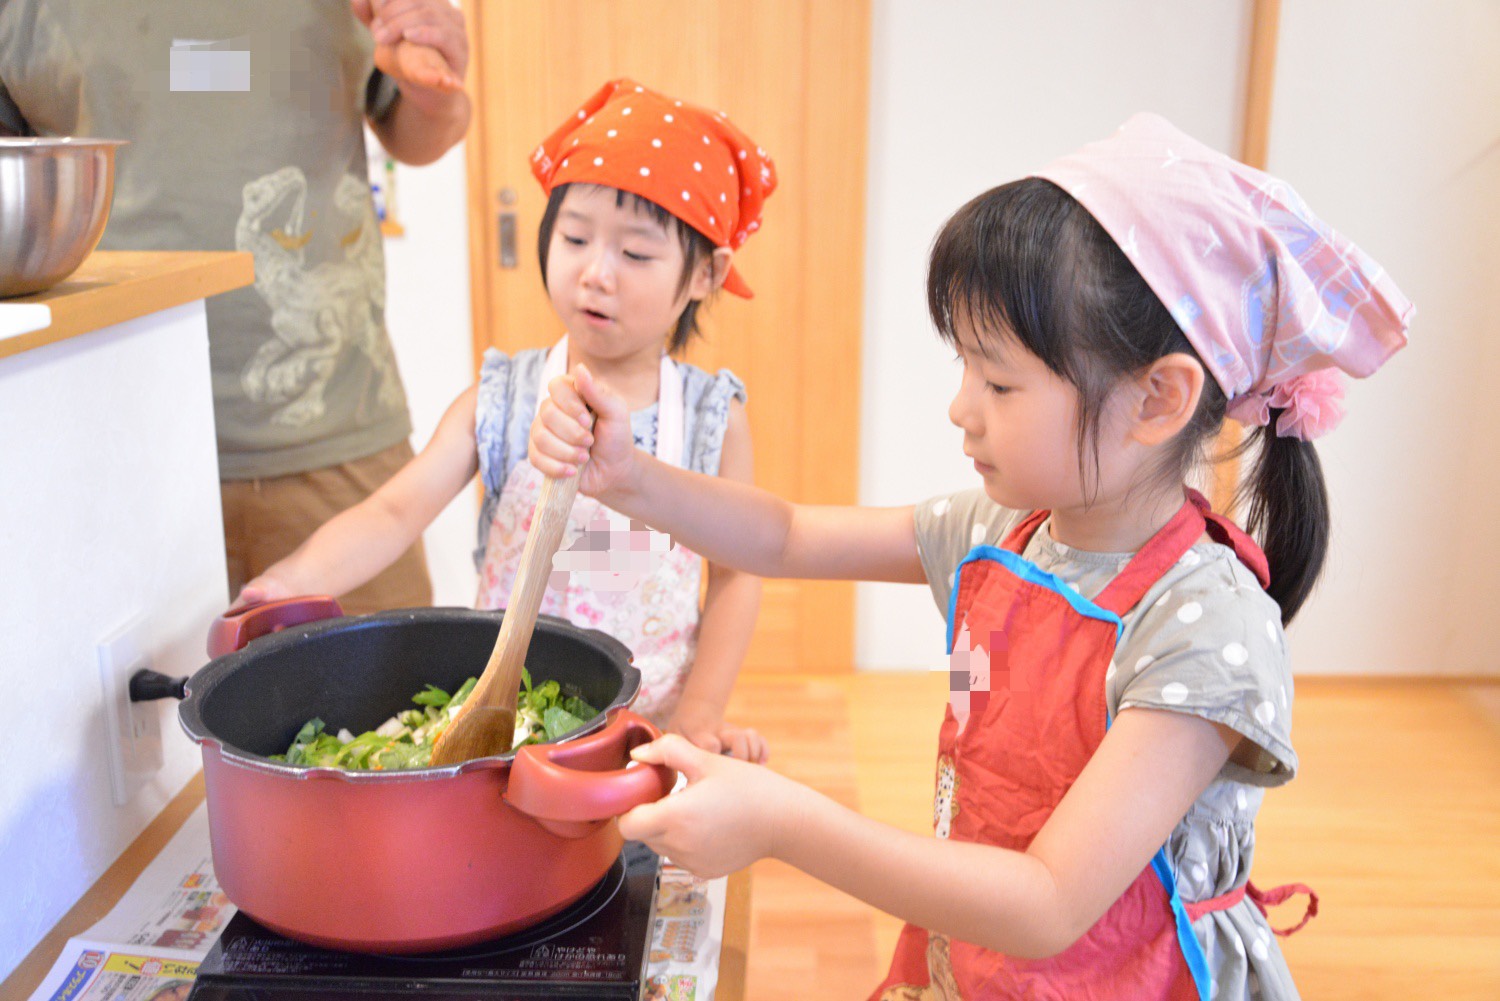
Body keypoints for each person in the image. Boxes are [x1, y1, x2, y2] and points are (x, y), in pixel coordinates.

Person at [528, 113, 1413, 999]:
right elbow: (786, 535)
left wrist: (784, 823)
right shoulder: (1002, 531)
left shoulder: (1204, 625)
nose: (961, 407)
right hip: (975, 943)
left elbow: (1050, 901)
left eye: (998, 380)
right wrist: (629, 475)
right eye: (964, 367)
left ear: (1158, 398)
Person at [237, 79, 775, 761]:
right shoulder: (498, 400)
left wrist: (701, 712)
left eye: (636, 253)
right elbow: (393, 513)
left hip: (648, 738)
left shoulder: (711, 421)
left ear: (705, 273)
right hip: (505, 727)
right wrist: (290, 580)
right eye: (576, 237)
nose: (596, 274)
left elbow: (737, 575)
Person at [0, 0, 471, 614]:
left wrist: (436, 86)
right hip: (105, 452)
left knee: (395, 703)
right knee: (125, 708)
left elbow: (422, 121)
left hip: (336, 438)